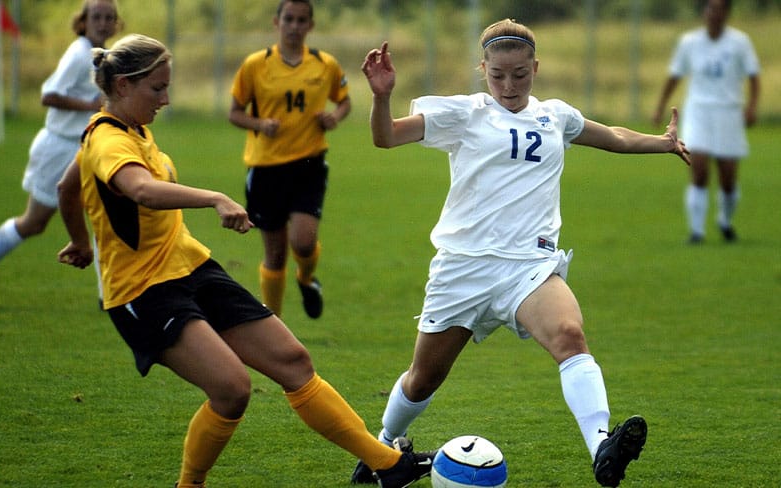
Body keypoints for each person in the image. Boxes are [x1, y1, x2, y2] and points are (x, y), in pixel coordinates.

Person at [56, 33, 434, 488]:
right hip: (143, 290)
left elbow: (66, 187)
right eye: (157, 88)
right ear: (121, 86)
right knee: (231, 390)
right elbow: (140, 190)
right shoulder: (106, 139)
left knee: (293, 361)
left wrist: (80, 241)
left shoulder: (131, 129)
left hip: (191, 267)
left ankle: (388, 467)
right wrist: (214, 197)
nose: (167, 98)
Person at [352, 19, 691, 488]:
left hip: (528, 267)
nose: (509, 85)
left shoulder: (556, 116)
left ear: (535, 67)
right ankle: (383, 445)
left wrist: (663, 143)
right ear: (482, 69)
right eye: (497, 75)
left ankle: (601, 448)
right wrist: (382, 95)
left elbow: (611, 136)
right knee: (423, 379)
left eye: (519, 74)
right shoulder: (463, 114)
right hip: (463, 267)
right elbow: (385, 136)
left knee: (570, 335)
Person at [0, 0, 121, 307]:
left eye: (109, 17)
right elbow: (48, 95)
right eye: (97, 17)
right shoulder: (80, 53)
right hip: (58, 147)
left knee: (103, 215)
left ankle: (108, 296)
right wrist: (90, 105)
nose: (103, 23)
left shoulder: (104, 56)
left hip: (87, 147)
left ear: (117, 22)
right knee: (34, 222)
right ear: (84, 21)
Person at [228, 0, 351, 319]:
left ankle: (307, 278)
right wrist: (259, 124)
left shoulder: (325, 64)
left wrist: (334, 117)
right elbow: (234, 113)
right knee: (276, 253)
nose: (294, 26)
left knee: (304, 242)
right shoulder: (256, 65)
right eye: (289, 19)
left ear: (310, 25)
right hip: (266, 167)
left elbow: (344, 101)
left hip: (308, 164)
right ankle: (275, 323)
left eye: (301, 20)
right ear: (277, 22)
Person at [653, 0, 760, 244]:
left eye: (719, 8)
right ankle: (697, 231)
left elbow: (753, 76)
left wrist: (752, 106)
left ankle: (725, 220)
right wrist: (660, 106)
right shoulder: (690, 42)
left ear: (727, 13)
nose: (714, 13)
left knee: (728, 177)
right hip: (699, 112)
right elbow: (675, 75)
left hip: (729, 113)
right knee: (698, 169)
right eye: (710, 8)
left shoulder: (740, 42)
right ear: (705, 12)